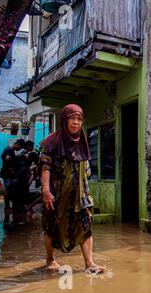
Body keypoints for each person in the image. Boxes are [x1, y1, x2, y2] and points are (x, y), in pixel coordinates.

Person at [39, 104, 105, 273]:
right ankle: (50, 260)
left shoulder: (82, 142)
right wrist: (46, 191)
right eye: (72, 119)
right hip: (56, 196)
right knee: (51, 228)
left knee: (86, 228)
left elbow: (87, 169)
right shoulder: (51, 142)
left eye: (79, 119)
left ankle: (90, 264)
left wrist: (87, 193)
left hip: (80, 197)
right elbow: (45, 168)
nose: (76, 122)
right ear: (64, 120)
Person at [0, 139, 26, 214]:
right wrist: (11, 168)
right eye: (20, 147)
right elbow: (7, 158)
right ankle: (7, 206)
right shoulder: (10, 150)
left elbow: (3, 157)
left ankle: (7, 206)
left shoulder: (7, 148)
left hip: (5, 172)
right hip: (7, 173)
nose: (19, 149)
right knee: (8, 189)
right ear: (18, 144)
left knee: (7, 189)